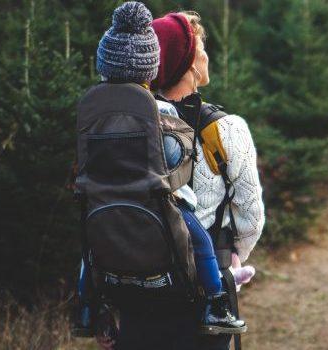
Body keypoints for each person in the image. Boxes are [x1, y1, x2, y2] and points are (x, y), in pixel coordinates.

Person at [68, 3, 258, 348]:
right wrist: (229, 265)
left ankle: (84, 307)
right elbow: (251, 217)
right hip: (196, 296)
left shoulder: (115, 120)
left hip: (132, 288)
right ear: (184, 61)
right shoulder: (224, 129)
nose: (206, 55)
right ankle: (216, 301)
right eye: (200, 48)